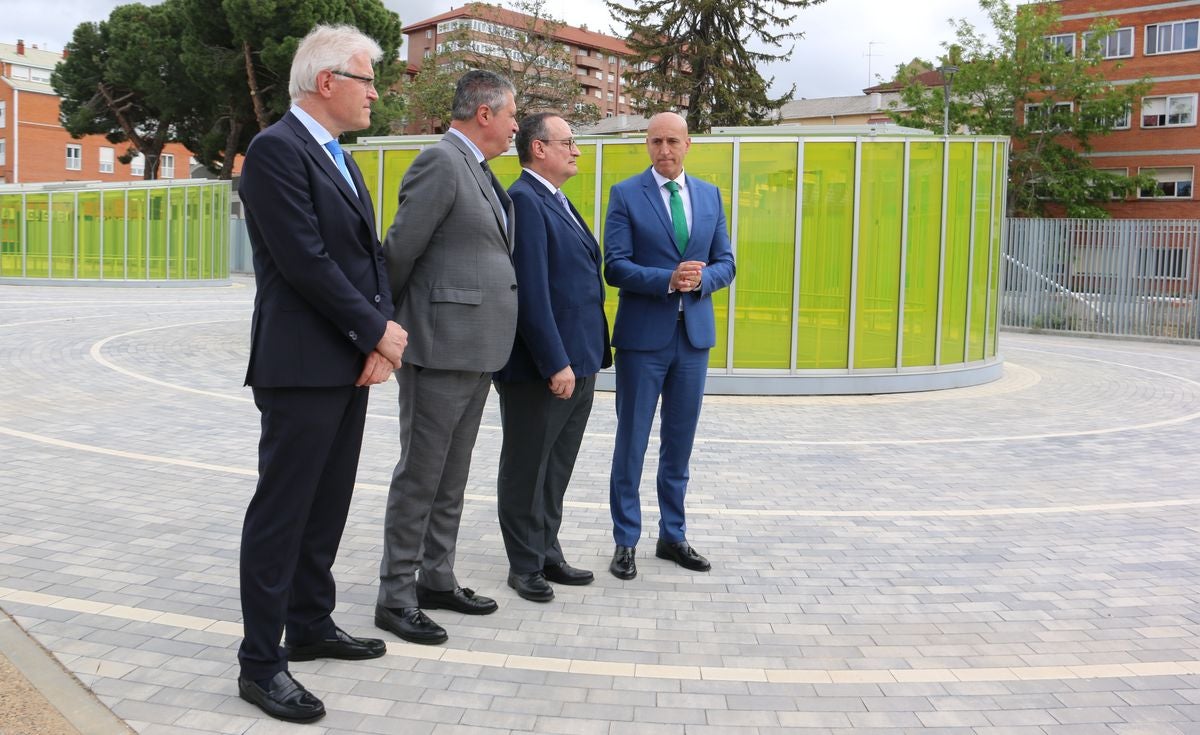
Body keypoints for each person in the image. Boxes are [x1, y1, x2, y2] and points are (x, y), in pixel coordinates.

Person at [236, 24, 407, 724]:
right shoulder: (276, 150)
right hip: (301, 363)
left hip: (346, 359)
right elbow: (306, 261)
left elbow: (367, 259)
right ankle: (260, 661)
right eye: (368, 79)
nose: (377, 92)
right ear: (327, 82)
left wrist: (378, 338)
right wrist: (378, 330)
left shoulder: (339, 154)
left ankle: (309, 623)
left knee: (327, 503)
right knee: (283, 511)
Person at [375, 70, 519, 644]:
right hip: (438, 347)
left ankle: (436, 577)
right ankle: (395, 593)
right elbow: (398, 254)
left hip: (476, 347)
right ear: (484, 113)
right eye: (511, 113)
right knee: (421, 475)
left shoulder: (478, 170)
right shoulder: (440, 162)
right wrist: (386, 328)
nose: (515, 125)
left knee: (452, 477)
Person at [603, 111, 736, 580]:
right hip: (643, 342)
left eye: (672, 141)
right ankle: (625, 540)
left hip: (692, 339)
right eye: (656, 141)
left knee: (678, 445)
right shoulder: (625, 195)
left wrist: (700, 281)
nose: (664, 150)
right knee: (632, 443)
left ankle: (672, 536)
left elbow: (727, 262)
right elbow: (614, 266)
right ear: (647, 144)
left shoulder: (709, 195)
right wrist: (667, 279)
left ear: (688, 144)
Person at [493, 113, 611, 602]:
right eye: (568, 142)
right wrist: (554, 362)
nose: (576, 150)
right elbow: (532, 294)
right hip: (545, 368)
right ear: (538, 148)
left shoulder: (554, 200)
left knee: (556, 465)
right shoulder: (524, 199)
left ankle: (547, 550)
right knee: (528, 465)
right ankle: (524, 565)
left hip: (579, 361)